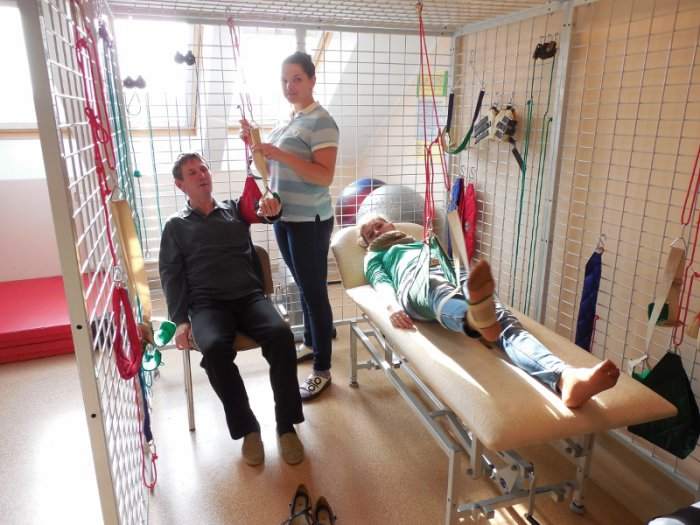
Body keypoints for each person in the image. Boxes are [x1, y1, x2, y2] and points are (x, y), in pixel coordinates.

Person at [358, 215, 620, 408]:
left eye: (379, 224)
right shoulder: (375, 255)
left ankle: (566, 378)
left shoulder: (422, 242)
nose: (377, 230)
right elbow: (381, 282)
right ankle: (472, 318)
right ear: (368, 243)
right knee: (439, 290)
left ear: (392, 224)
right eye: (370, 233)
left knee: (500, 318)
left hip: (450, 271)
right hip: (416, 283)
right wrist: (392, 307)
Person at [159, 153, 305, 466]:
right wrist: (180, 320)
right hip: (207, 306)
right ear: (180, 185)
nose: (201, 175)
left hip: (250, 298)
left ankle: (286, 425)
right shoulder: (175, 226)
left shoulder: (235, 209)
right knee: (213, 349)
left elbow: (266, 210)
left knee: (281, 336)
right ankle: (248, 428)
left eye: (203, 169)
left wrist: (273, 205)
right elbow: (171, 275)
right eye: (192, 172)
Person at [240, 51, 339, 400]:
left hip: (310, 221)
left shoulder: (321, 121)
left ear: (312, 80)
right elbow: (271, 171)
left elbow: (324, 176)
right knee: (303, 287)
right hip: (285, 217)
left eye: (297, 79)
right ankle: (312, 343)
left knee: (314, 293)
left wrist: (279, 153)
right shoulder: (288, 121)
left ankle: (322, 370)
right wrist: (255, 147)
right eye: (284, 80)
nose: (290, 86)